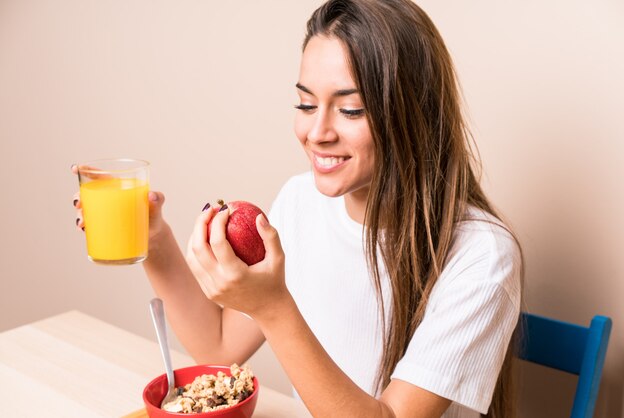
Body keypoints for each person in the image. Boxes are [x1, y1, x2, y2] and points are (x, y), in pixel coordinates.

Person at [73, 1, 521, 417]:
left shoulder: (482, 256)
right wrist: (154, 241)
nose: (316, 131)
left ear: (413, 115)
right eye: (306, 104)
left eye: (350, 109)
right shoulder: (300, 200)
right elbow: (218, 349)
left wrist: (273, 308)